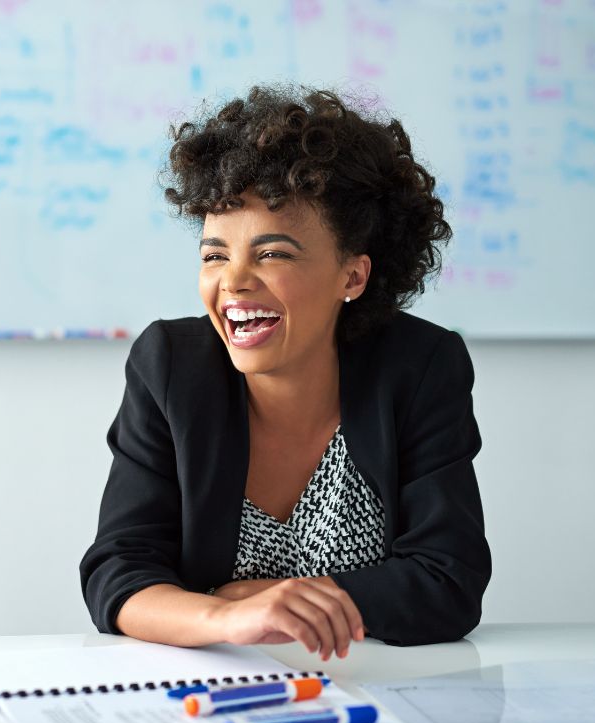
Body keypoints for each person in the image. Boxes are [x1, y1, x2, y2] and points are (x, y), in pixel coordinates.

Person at [80, 85, 491, 657]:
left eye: (272, 253)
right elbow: (118, 578)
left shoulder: (420, 366)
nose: (234, 281)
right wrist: (229, 619)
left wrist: (270, 596)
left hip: (379, 695)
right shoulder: (169, 365)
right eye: (215, 254)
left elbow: (449, 583)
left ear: (353, 276)